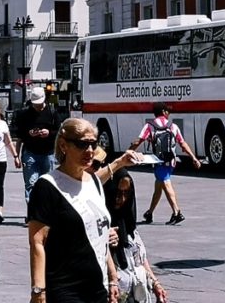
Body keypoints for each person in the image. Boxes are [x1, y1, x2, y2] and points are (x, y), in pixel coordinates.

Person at [28, 118, 117, 303]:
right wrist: (38, 291)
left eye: (93, 144)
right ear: (63, 145)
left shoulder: (94, 182)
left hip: (97, 287)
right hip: (65, 289)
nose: (90, 151)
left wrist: (113, 278)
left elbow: (97, 235)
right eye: (82, 144)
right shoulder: (47, 186)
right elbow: (37, 242)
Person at [128, 102, 202, 225]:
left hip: (159, 161)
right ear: (163, 112)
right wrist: (193, 158)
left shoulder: (149, 126)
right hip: (171, 161)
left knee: (166, 183)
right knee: (158, 186)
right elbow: (182, 144)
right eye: (167, 111)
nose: (169, 113)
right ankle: (149, 213)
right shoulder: (173, 126)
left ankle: (177, 212)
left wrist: (128, 152)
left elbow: (138, 141)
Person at [104, 170, 168, 303]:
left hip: (137, 294)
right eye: (117, 193)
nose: (121, 199)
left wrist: (156, 284)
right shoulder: (101, 227)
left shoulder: (128, 223)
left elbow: (140, 259)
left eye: (125, 193)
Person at [15, 86, 61, 205]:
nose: (37, 106)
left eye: (39, 104)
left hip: (48, 153)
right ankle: (32, 213)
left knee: (47, 183)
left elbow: (60, 132)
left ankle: (44, 213)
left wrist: (49, 133)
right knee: (31, 183)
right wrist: (16, 155)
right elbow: (20, 136)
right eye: (35, 104)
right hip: (30, 152)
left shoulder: (52, 113)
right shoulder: (25, 114)